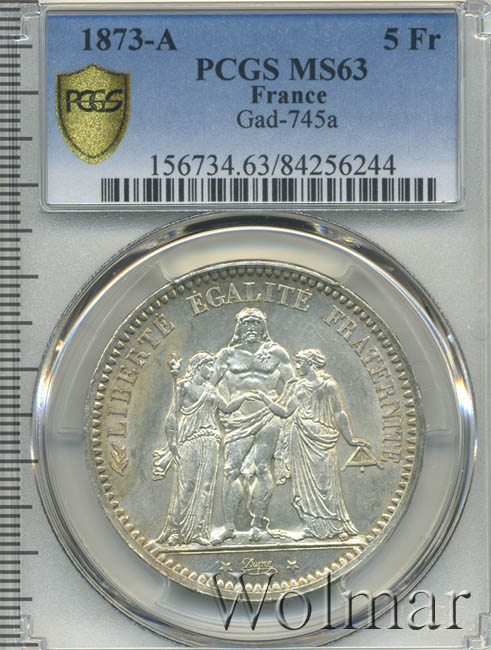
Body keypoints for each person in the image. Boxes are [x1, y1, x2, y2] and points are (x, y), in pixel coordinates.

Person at [253, 348, 366, 541]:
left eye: (300, 362)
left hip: (322, 438)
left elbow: (339, 413)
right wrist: (265, 400)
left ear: (311, 363)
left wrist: (350, 438)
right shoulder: (298, 386)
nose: (297, 366)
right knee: (303, 485)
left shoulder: (328, 385)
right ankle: (311, 527)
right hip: (301, 437)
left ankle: (335, 526)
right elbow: (286, 412)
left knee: (326, 482)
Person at [156, 352, 255, 546]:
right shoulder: (184, 386)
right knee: (187, 486)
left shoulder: (211, 390)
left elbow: (226, 408)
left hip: (210, 439)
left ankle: (198, 532)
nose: (211, 370)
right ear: (198, 366)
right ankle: (177, 531)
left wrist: (243, 397)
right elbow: (172, 415)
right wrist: (172, 441)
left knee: (206, 487)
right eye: (208, 366)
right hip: (190, 439)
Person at [212, 308, 294, 544]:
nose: (251, 328)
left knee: (262, 468)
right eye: (246, 323)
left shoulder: (276, 353)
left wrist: (279, 407)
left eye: (256, 323)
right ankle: (229, 527)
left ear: (263, 328)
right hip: (237, 418)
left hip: (268, 416)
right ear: (239, 328)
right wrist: (223, 408)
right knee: (231, 470)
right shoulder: (227, 355)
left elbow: (292, 384)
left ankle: (257, 525)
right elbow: (210, 385)